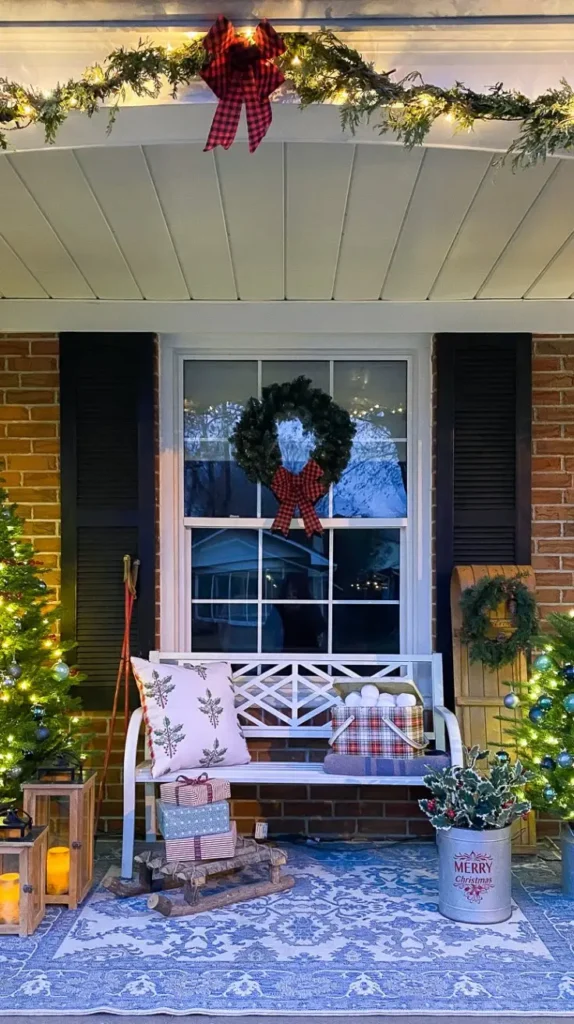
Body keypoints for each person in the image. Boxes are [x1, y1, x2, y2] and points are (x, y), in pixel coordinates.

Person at [275, 572, 326, 653]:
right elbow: (270, 630)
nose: (291, 594)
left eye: (294, 590)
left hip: (308, 651)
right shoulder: (279, 607)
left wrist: (302, 611)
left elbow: (320, 627)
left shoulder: (310, 606)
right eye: (289, 590)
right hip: (286, 651)